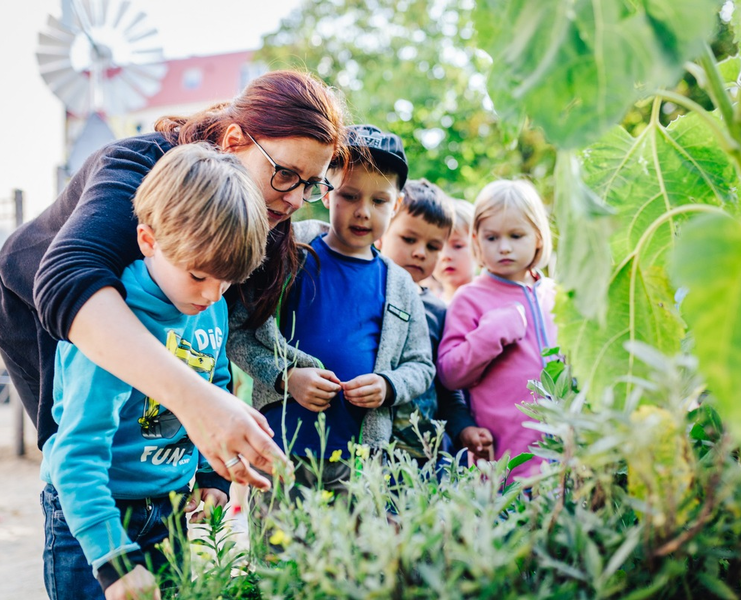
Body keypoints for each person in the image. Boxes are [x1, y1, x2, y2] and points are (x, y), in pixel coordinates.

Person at [0, 69, 348, 488]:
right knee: (92, 472)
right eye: (285, 174)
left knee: (152, 472)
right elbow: (68, 280)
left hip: (147, 333)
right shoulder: (137, 167)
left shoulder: (264, 213)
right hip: (43, 312)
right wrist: (195, 402)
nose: (294, 199)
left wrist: (206, 471)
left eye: (310, 184)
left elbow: (208, 352)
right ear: (235, 141)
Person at [39, 144, 270, 600]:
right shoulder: (113, 321)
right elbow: (75, 454)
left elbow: (214, 384)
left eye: (227, 279)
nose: (212, 294)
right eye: (200, 275)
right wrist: (114, 562)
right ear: (149, 240)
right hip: (93, 517)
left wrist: (210, 475)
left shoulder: (212, 307)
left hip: (168, 509)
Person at [228, 124, 434, 497]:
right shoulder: (289, 252)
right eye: (350, 196)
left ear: (397, 205)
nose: (363, 212)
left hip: (360, 462)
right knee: (281, 552)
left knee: (353, 551)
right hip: (282, 450)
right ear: (325, 192)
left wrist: (388, 386)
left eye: (379, 201)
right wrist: (286, 377)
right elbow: (239, 334)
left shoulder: (400, 285)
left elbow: (421, 366)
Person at [437, 179, 557, 482]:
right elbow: (450, 373)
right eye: (492, 238)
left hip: (563, 457)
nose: (504, 247)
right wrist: (489, 335)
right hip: (503, 460)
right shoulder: (470, 298)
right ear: (477, 241)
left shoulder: (556, 296)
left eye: (516, 236)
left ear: (539, 238)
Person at [375, 179, 493, 464]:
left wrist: (464, 428)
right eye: (409, 239)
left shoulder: (438, 311)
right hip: (369, 453)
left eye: (433, 246)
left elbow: (446, 388)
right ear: (382, 233)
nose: (420, 252)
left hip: (424, 457)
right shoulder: (366, 294)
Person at [431, 198, 476, 304]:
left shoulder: (488, 300)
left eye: (458, 246)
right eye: (436, 247)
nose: (445, 256)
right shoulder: (429, 306)